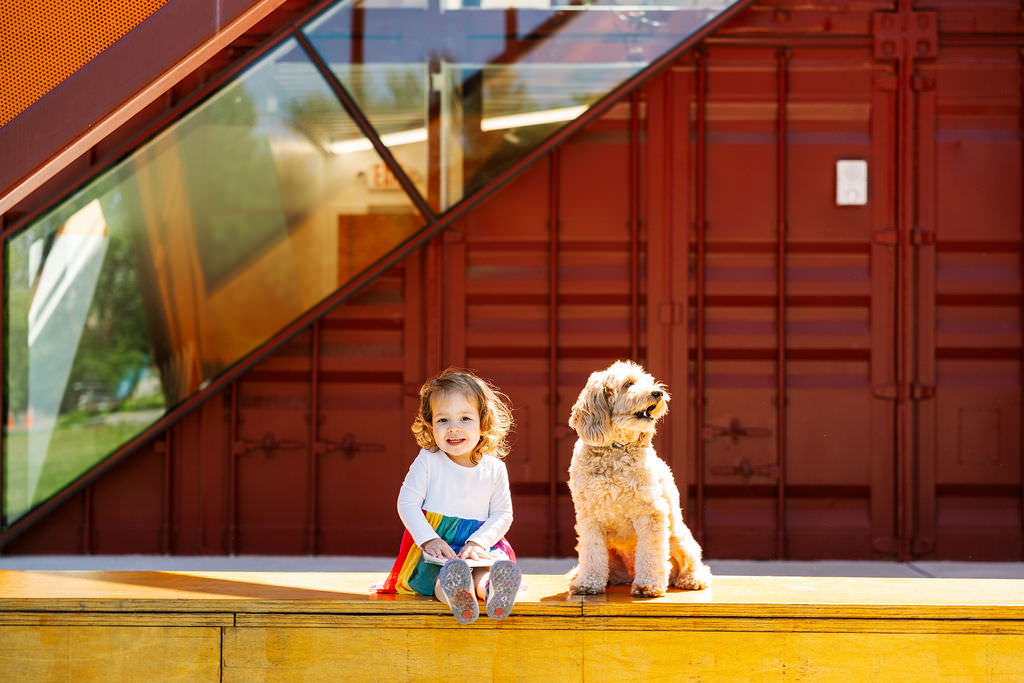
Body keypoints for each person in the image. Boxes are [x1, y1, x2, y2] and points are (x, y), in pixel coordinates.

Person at [376, 367, 522, 625]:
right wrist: (428, 540)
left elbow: (503, 514)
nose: (453, 428)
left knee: (485, 570)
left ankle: (494, 589)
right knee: (438, 577)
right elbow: (407, 503)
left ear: (483, 422)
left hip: (479, 543)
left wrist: (479, 542)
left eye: (465, 418)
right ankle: (457, 594)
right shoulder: (428, 461)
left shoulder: (494, 468)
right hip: (438, 545)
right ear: (430, 425)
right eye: (443, 420)